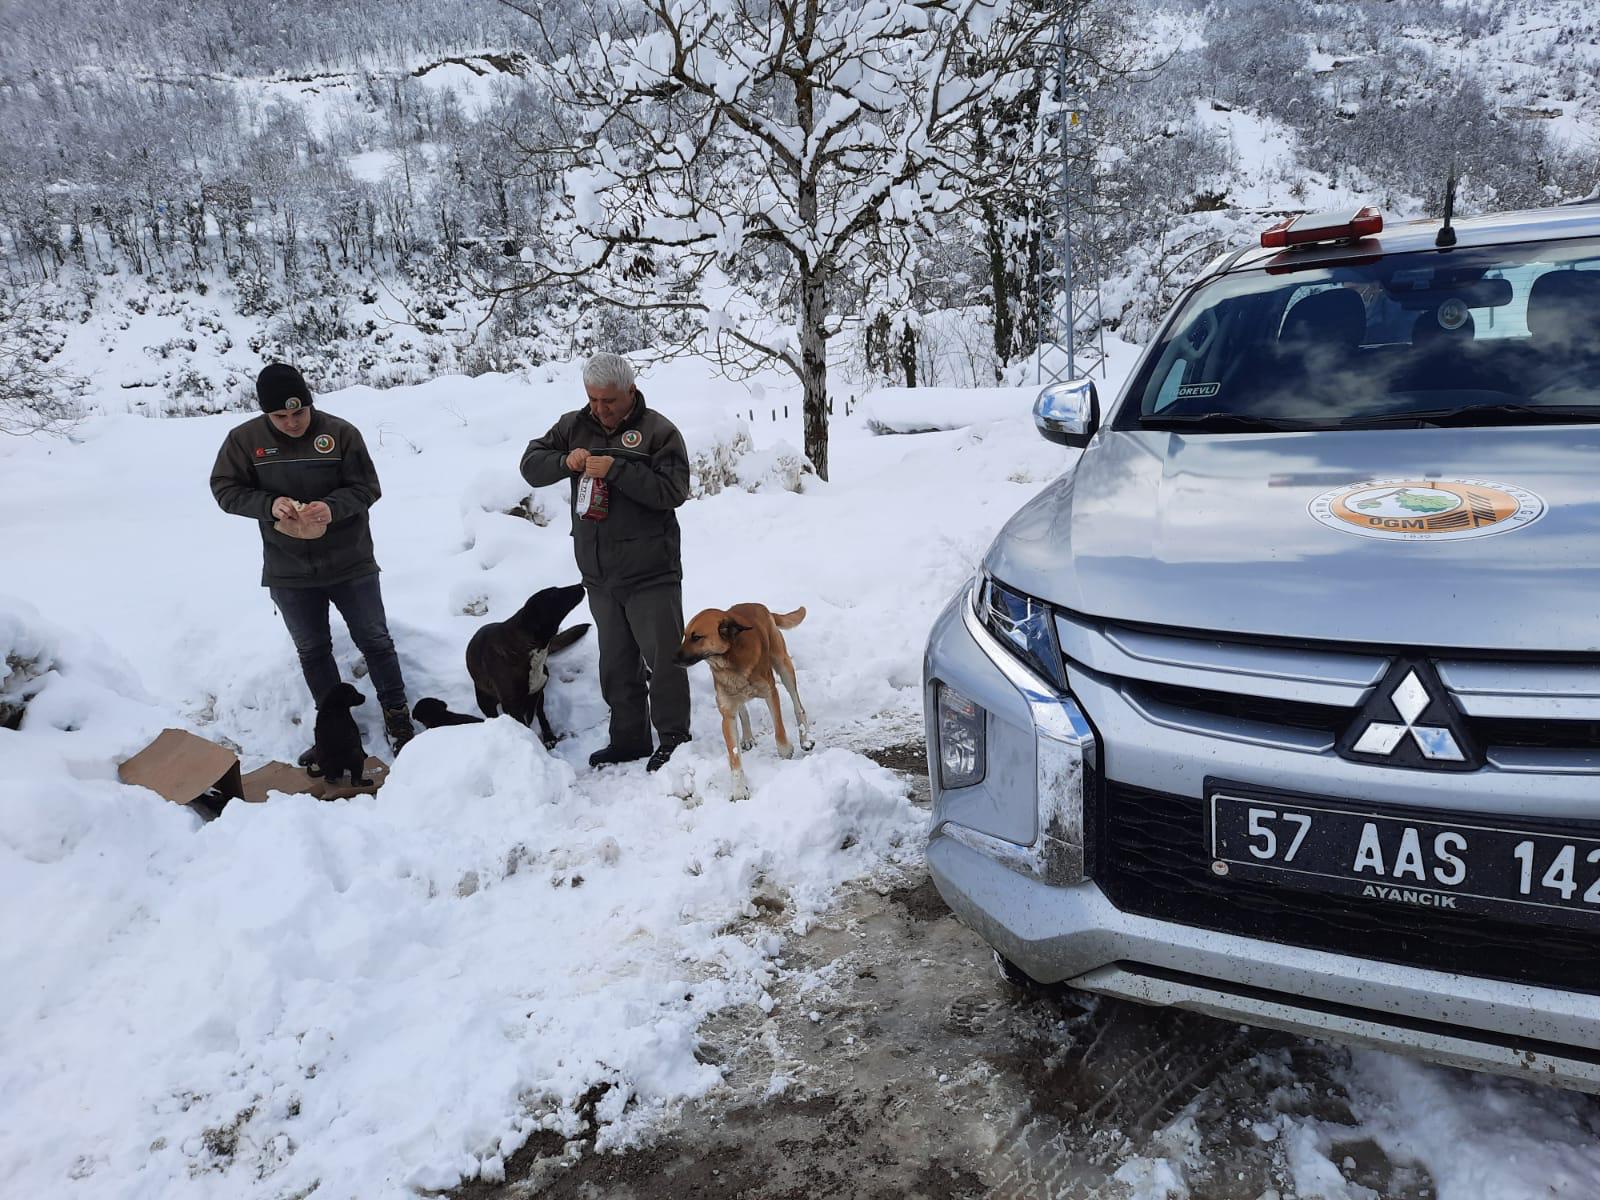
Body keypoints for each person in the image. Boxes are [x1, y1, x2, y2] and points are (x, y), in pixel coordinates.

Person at [210, 362, 415, 757]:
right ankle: (335, 725)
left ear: (309, 402)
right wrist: (269, 505)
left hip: (351, 561)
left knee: (375, 641)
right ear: (266, 414)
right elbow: (224, 489)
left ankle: (396, 713)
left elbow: (367, 487)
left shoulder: (340, 433)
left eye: (298, 412)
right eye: (280, 416)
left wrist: (332, 507)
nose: (291, 423)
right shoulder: (244, 440)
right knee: (312, 649)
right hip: (288, 570)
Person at [520, 353, 692, 771]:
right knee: (616, 663)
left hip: (651, 570)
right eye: (593, 399)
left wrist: (618, 470)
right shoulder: (573, 425)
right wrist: (565, 461)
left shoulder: (658, 431)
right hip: (598, 572)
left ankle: (674, 739)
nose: (600, 408)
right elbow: (530, 465)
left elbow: (673, 491)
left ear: (630, 392)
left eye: (609, 401)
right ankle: (628, 738)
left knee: (665, 659)